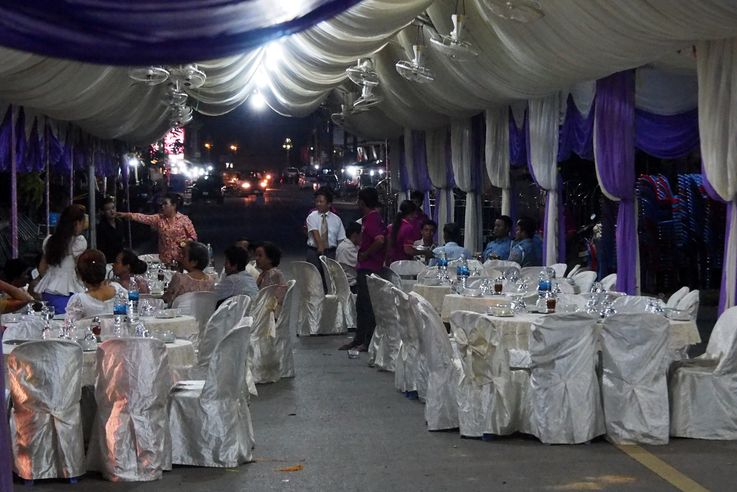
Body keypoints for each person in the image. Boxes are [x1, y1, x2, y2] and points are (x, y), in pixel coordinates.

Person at [340, 187, 385, 352]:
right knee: (361, 305)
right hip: (366, 266)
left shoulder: (372, 218)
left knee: (367, 305)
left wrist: (366, 253)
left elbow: (380, 240)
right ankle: (359, 339)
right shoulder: (369, 218)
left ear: (362, 202)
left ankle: (366, 341)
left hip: (369, 267)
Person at [34, 204, 88, 314]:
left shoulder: (50, 240)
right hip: (70, 289)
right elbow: (79, 268)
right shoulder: (79, 242)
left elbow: (42, 268)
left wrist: (52, 278)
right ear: (77, 223)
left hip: (48, 288)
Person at [117, 193, 197, 267]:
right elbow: (143, 217)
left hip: (181, 260)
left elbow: (193, 236)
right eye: (162, 203)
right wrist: (126, 215)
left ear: (174, 205)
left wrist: (183, 243)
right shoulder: (159, 218)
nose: (162, 206)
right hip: (164, 260)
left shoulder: (184, 220)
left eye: (165, 203)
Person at [65, 249, 129, 320]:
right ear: (104, 269)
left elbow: (69, 326)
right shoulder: (118, 289)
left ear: (81, 275)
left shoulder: (79, 300)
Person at [305, 188, 345, 291]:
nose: (318, 204)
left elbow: (341, 239)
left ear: (329, 204)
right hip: (314, 252)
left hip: (330, 252)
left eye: (321, 201)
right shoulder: (312, 217)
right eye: (317, 201)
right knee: (314, 281)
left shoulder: (336, 219)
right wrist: (320, 247)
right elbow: (315, 233)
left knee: (329, 281)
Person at [162, 241, 215, 305]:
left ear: (194, 262)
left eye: (184, 255)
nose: (180, 258)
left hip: (180, 314)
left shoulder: (179, 278)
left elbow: (166, 299)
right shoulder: (211, 280)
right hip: (203, 314)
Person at [385, 200, 419, 265]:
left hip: (391, 263)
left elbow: (387, 248)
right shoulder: (408, 228)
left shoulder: (390, 227)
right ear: (412, 213)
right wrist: (424, 252)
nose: (416, 216)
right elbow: (408, 250)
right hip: (403, 265)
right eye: (415, 213)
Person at [97, 197, 126, 263]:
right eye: (108, 209)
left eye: (113, 208)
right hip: (109, 260)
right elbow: (101, 248)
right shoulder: (101, 227)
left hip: (121, 258)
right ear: (103, 212)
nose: (112, 211)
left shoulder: (119, 222)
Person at [336, 222, 361, 292]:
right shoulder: (348, 248)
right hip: (350, 284)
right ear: (355, 235)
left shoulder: (345, 244)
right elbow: (360, 263)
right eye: (362, 235)